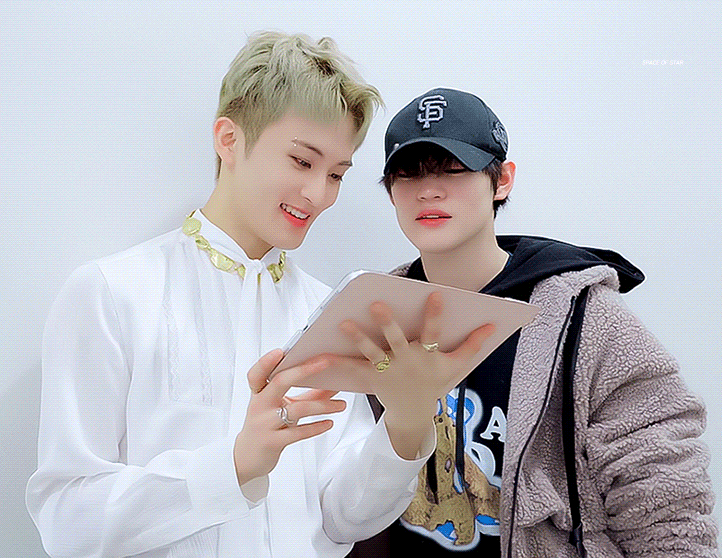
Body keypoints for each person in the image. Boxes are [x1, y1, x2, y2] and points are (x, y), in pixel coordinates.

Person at [25, 36, 495, 558]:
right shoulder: (111, 294)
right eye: (301, 161)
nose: (318, 194)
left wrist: (406, 423)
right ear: (228, 139)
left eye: (336, 174)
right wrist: (232, 466)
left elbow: (344, 520)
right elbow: (66, 520)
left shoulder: (331, 310)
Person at [349, 88, 719, 557]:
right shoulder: (372, 316)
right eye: (407, 173)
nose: (428, 190)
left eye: (452, 169)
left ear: (502, 180)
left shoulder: (587, 322)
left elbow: (665, 507)